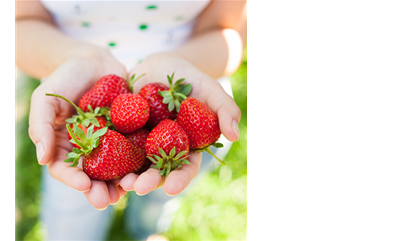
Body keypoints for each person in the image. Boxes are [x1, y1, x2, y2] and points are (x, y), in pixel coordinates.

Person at [16, 0, 244, 239]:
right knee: (71, 215)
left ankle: (144, 231)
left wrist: (183, 63)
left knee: (162, 194)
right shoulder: (91, 133)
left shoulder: (173, 117)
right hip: (76, 86)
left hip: (183, 83)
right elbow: (22, 24)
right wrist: (77, 57)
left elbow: (224, 30)